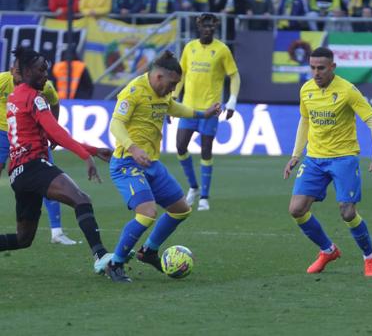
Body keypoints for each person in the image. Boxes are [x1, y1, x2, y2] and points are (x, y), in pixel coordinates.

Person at [106, 51, 220, 282]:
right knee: (147, 213)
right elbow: (116, 123)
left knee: (181, 209)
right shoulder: (133, 92)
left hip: (151, 164)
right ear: (158, 77)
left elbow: (174, 108)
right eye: (172, 84)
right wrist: (132, 148)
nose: (173, 89)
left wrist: (201, 113)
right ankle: (115, 263)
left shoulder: (162, 94)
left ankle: (148, 251)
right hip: (127, 163)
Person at [0, 47, 114, 274]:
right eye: (41, 70)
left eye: (46, 70)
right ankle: (101, 257)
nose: (46, 75)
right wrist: (85, 156)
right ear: (27, 71)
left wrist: (91, 149)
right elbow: (55, 130)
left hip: (18, 172)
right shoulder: (34, 98)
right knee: (81, 199)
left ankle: (100, 256)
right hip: (32, 165)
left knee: (24, 239)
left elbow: (51, 134)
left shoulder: (16, 96)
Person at [283, 47, 372, 277]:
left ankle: (369, 256)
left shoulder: (348, 91)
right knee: (296, 209)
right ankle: (328, 250)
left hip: (344, 158)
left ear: (332, 67)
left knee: (347, 213)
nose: (316, 72)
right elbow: (305, 121)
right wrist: (295, 155)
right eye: (312, 67)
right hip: (314, 159)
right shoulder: (306, 89)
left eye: (321, 68)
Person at [0, 56, 77, 245]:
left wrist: (51, 132)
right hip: (3, 133)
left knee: (49, 177)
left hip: (30, 139)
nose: (19, 76)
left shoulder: (44, 87)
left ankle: (57, 232)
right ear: (12, 71)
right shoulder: (3, 81)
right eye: (17, 72)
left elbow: (55, 104)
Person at [173, 13, 240, 212]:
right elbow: (182, 74)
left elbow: (234, 75)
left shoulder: (221, 50)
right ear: (199, 27)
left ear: (215, 29)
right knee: (180, 147)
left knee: (206, 150)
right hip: (188, 107)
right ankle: (193, 187)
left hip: (211, 109)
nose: (208, 29)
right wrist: (174, 98)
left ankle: (204, 197)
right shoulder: (190, 47)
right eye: (205, 26)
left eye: (212, 27)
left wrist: (232, 101)